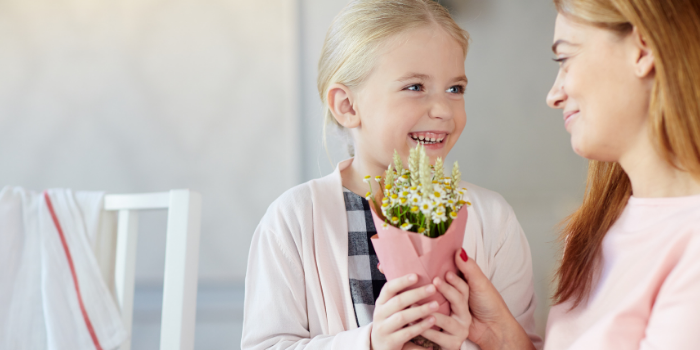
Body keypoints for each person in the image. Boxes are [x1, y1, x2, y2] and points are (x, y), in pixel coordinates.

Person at [241, 0, 542, 349]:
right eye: (415, 87)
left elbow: (523, 344)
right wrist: (369, 342)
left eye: (455, 89)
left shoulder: (492, 219)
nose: (443, 109)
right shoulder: (293, 220)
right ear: (347, 106)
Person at [455, 0, 700, 349]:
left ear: (642, 50)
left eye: (565, 59)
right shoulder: (592, 231)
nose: (553, 95)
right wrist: (505, 340)